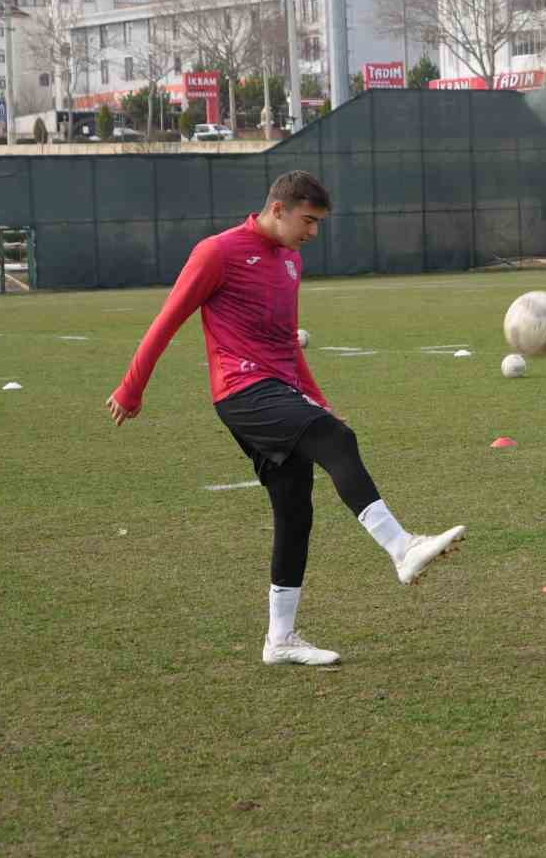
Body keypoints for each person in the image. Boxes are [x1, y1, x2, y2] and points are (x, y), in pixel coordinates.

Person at [106, 169, 466, 665]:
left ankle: (280, 640)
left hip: (279, 387)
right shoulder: (217, 252)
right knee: (338, 441)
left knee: (295, 508)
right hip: (241, 390)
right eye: (308, 220)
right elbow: (168, 318)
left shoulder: (291, 260)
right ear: (278, 209)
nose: (313, 232)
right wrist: (132, 387)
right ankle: (402, 548)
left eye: (318, 223)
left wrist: (318, 396)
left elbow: (285, 342)